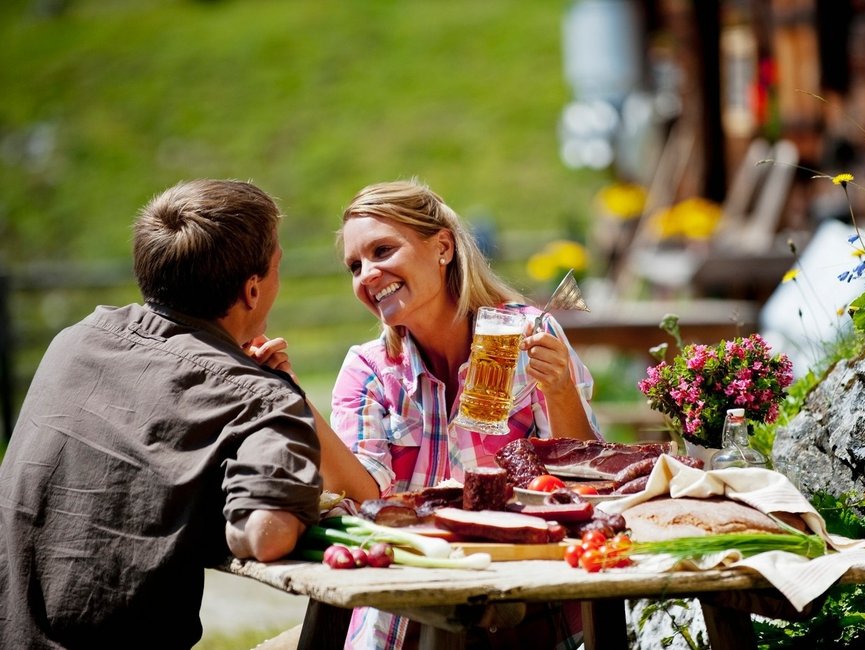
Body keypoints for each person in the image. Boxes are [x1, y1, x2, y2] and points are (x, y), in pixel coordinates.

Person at [0, 179, 373, 649]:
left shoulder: (75, 341)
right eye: (278, 266)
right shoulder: (260, 400)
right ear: (252, 290)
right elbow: (266, 534)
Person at [333, 178, 602, 649]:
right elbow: (364, 496)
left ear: (442, 247)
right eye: (355, 265)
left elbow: (587, 475)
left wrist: (559, 389)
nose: (367, 274)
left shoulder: (525, 334)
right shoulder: (370, 369)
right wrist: (289, 394)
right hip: (405, 616)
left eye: (382, 251)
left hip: (531, 603)